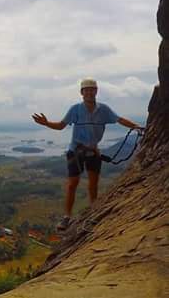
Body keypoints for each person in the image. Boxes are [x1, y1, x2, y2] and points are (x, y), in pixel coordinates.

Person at [31, 78, 141, 231]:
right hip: (75, 150)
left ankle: (93, 212)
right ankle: (67, 217)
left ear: (96, 91)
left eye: (92, 89)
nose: (89, 92)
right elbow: (61, 126)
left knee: (93, 184)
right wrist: (47, 123)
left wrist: (137, 127)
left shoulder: (104, 110)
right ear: (81, 93)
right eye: (86, 90)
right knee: (72, 184)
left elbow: (119, 119)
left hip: (93, 150)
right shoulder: (75, 109)